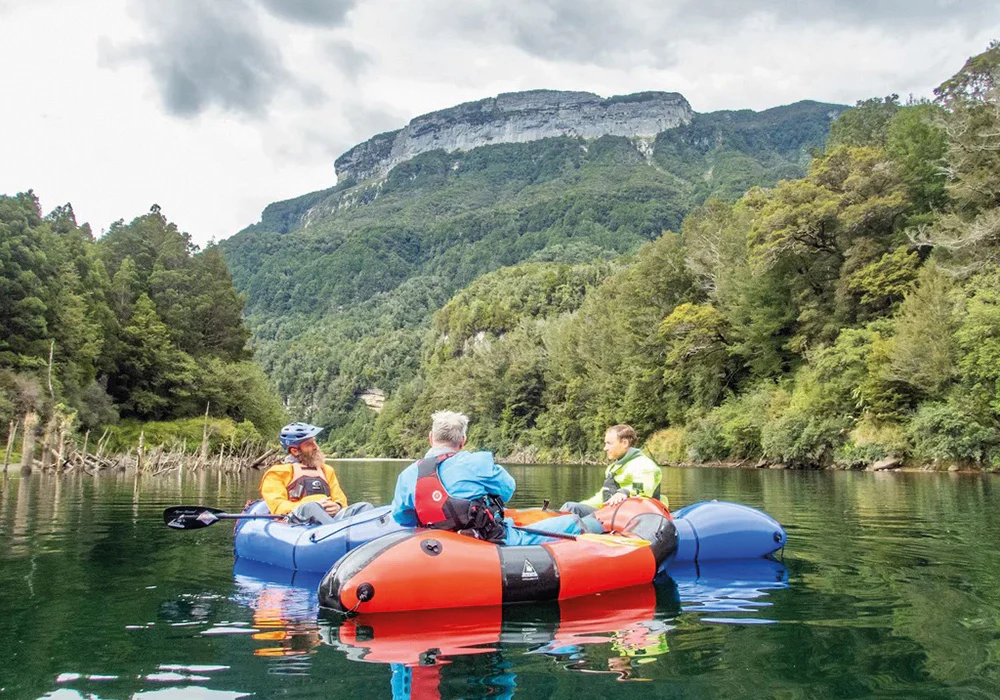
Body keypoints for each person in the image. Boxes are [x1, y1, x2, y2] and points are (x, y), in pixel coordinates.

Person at [392, 410, 584, 545]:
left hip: (436, 545)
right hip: (486, 542)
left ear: (430, 438)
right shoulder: (477, 462)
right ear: (463, 441)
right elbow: (507, 490)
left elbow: (402, 517)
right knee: (572, 522)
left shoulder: (407, 475)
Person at [260, 421, 370, 524]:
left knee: (365, 507)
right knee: (311, 507)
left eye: (314, 442)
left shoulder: (326, 470)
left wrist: (338, 506)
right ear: (295, 451)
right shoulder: (277, 473)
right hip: (296, 523)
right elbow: (279, 507)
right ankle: (336, 536)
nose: (316, 447)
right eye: (309, 444)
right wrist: (314, 503)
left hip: (329, 519)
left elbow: (340, 498)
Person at [561, 424, 665, 518]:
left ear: (624, 443)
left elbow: (643, 488)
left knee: (570, 507)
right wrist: (581, 505)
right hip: (612, 514)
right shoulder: (613, 468)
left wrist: (625, 492)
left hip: (635, 518)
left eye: (609, 443)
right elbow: (602, 497)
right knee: (571, 507)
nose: (605, 448)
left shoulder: (644, 465)